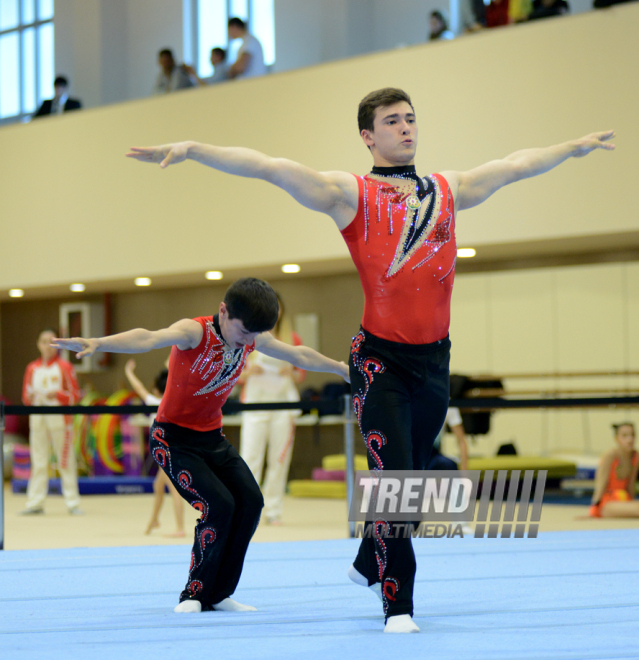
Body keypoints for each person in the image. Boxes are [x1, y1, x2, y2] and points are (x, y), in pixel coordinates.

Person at [125, 88, 614, 632]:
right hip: (380, 361)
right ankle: (397, 604)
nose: (406, 128)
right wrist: (194, 148)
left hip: (434, 362)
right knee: (397, 479)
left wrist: (571, 147)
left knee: (421, 475)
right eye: (392, 121)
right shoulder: (349, 195)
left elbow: (514, 166)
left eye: (410, 119)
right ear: (368, 136)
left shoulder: (446, 190)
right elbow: (269, 168)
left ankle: (367, 555)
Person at [52, 278, 349, 614]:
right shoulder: (195, 332)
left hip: (211, 438)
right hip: (172, 439)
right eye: (243, 332)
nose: (248, 343)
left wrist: (341, 369)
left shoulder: (251, 336)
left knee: (251, 502)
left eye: (254, 336)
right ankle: (194, 593)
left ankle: (219, 593)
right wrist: (97, 342)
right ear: (223, 311)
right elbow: (148, 337)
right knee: (219, 505)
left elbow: (297, 354)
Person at [239, 294, 305, 525]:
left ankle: (273, 509)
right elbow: (233, 372)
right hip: (255, 405)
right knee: (250, 458)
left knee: (279, 460)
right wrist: (248, 373)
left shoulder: (292, 338)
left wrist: (292, 373)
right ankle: (248, 508)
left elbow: (301, 372)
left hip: (283, 406)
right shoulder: (247, 337)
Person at [20, 329, 82, 515]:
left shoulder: (65, 367)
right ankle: (35, 502)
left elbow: (75, 396)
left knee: (65, 461)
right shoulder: (32, 368)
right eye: (43, 341)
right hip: (38, 420)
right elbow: (25, 397)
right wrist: (31, 397)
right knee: (38, 461)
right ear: (38, 344)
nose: (46, 345)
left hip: (60, 421)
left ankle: (72, 503)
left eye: (50, 341)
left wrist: (58, 395)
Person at [124, 359, 186, 536]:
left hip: (168, 452)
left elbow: (138, 388)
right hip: (172, 449)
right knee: (158, 485)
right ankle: (154, 519)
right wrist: (171, 364)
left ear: (157, 390)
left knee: (174, 489)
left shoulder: (153, 400)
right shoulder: (175, 401)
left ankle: (180, 528)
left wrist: (129, 371)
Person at [589, 423, 639, 518]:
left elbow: (631, 485)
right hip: (608, 501)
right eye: (624, 436)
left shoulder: (635, 457)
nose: (630, 439)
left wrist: (632, 502)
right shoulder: (610, 455)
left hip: (625, 499)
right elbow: (601, 482)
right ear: (616, 439)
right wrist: (594, 506)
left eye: (632, 435)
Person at [426, 407, 469, 471]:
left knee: (447, 465)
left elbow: (461, 441)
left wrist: (464, 473)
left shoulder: (448, 403)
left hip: (433, 454)